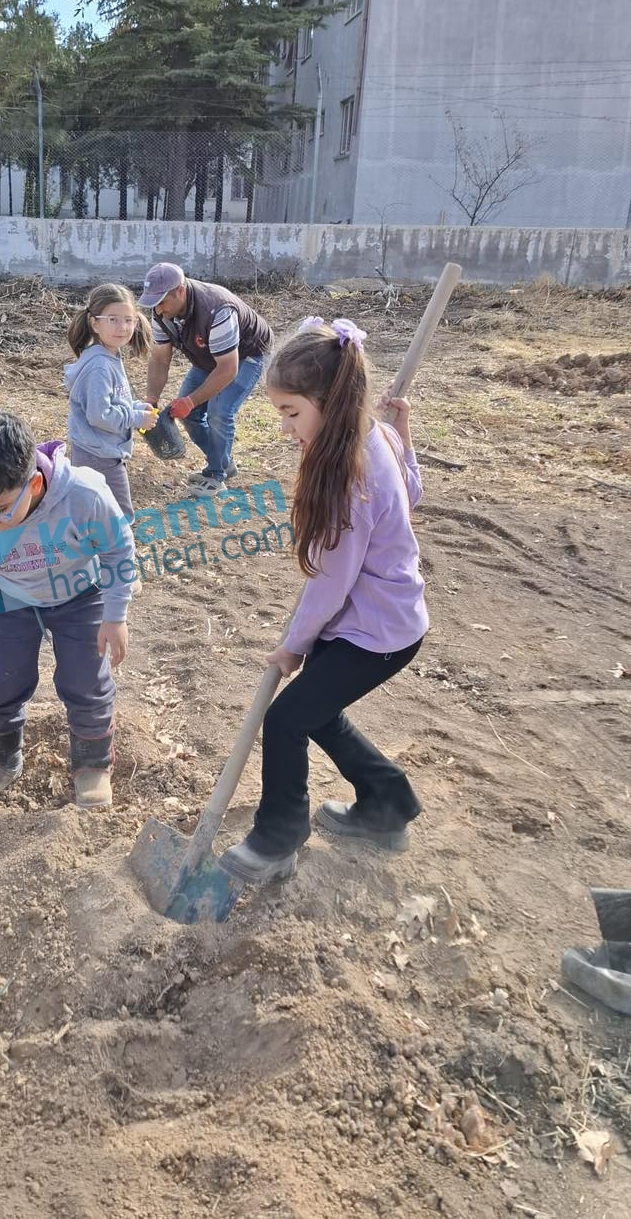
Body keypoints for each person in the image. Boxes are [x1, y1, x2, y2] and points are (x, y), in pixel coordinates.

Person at [219, 317, 429, 884]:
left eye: (292, 413)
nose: (285, 428)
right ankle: (387, 803)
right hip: (369, 620)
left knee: (287, 719)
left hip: (378, 632)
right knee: (317, 713)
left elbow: (330, 582)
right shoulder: (372, 436)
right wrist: (402, 436)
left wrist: (293, 646)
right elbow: (412, 493)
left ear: (330, 402)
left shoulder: (351, 479)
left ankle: (277, 840)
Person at [0, 409, 136, 811]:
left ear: (33, 483)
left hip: (79, 593)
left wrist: (115, 614)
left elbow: (118, 549)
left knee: (85, 679)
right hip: (6, 596)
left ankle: (92, 763)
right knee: (0, 680)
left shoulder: (84, 494)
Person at [139, 262, 273, 498]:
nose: (157, 309)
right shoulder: (161, 313)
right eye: (153, 303)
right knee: (189, 415)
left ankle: (216, 475)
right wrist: (152, 399)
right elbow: (160, 359)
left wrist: (191, 400)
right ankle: (223, 463)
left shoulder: (216, 310)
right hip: (211, 357)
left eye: (162, 302)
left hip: (246, 355)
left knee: (220, 412)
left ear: (180, 291)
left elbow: (228, 369)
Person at [64, 282, 157, 521]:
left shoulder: (108, 355)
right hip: (99, 454)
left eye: (128, 320)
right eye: (113, 319)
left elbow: (113, 401)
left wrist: (136, 407)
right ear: (95, 323)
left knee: (93, 514)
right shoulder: (100, 366)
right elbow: (99, 414)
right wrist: (136, 418)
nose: (122, 327)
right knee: (120, 517)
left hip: (96, 449)